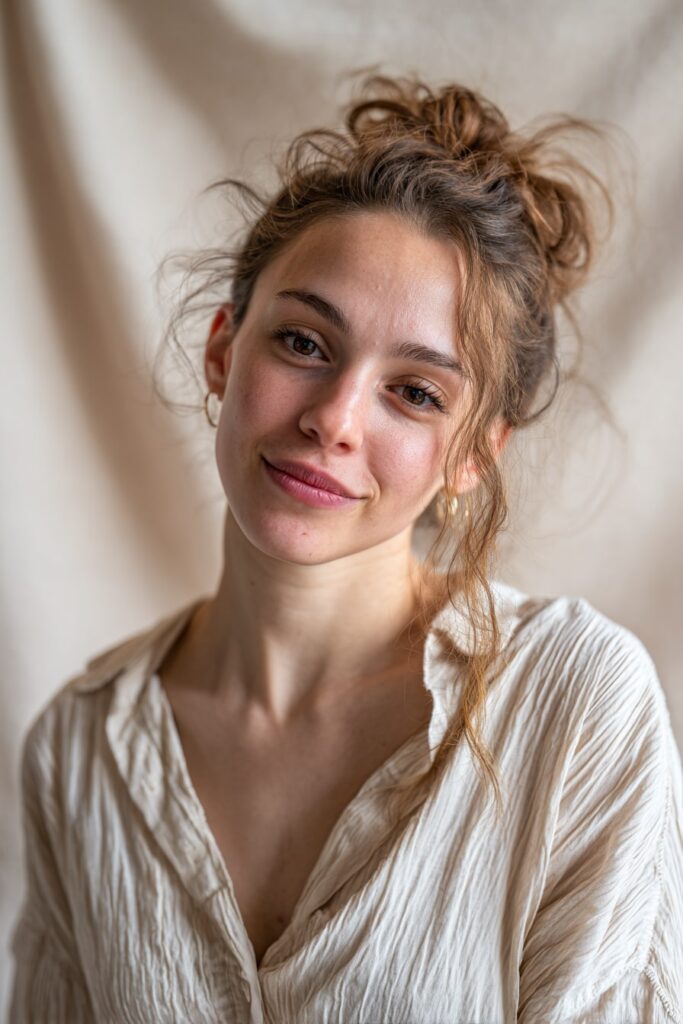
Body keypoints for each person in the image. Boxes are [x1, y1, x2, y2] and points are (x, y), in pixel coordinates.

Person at [8, 73, 683, 1023]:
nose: (333, 419)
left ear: (471, 458)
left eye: (414, 392)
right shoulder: (79, 752)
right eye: (303, 342)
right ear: (221, 349)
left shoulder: (575, 707)